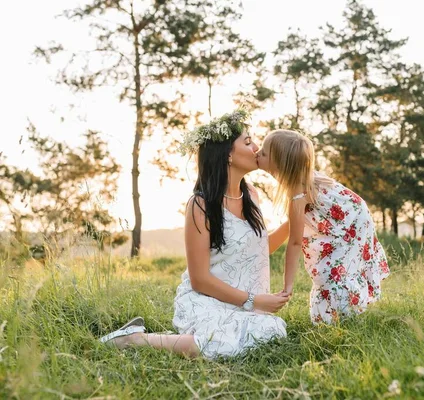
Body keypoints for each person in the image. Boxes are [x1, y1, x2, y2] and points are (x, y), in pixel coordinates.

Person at [99, 109, 290, 358]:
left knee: (272, 332)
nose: (256, 147)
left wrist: (293, 222)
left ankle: (162, 340)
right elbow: (199, 279)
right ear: (228, 156)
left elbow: (259, 248)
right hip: (209, 299)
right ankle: (135, 339)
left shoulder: (251, 195)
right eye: (247, 141)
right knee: (224, 342)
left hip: (244, 305)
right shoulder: (200, 205)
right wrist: (254, 300)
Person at [256, 129, 390, 324]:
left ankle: (342, 317)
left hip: (349, 224)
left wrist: (288, 286)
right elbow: (294, 225)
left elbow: (294, 242)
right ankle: (346, 314)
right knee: (333, 271)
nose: (257, 154)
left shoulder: (297, 193)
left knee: (329, 272)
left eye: (264, 153)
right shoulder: (302, 180)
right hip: (350, 219)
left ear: (280, 163)